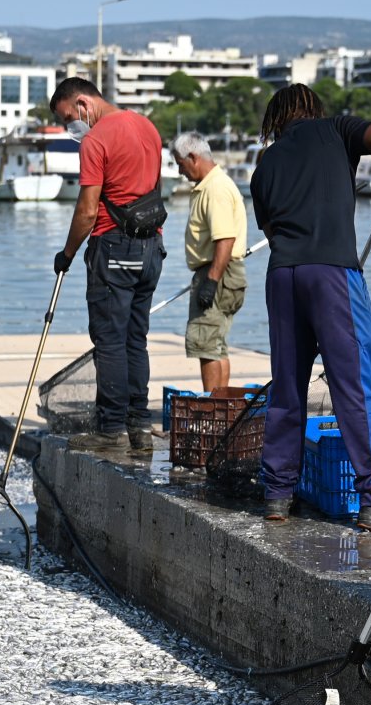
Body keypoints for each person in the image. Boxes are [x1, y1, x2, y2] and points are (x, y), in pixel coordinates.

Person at [249, 84, 371, 531]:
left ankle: (278, 496)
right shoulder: (337, 131)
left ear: (275, 120)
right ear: (314, 110)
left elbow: (269, 224)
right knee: (354, 387)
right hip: (332, 274)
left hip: (283, 276)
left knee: (287, 387)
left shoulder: (265, 164)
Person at [49, 77, 166, 453]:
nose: (72, 127)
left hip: (114, 246)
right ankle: (140, 429)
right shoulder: (147, 127)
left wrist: (66, 254)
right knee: (136, 339)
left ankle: (110, 429)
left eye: (69, 118)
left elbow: (87, 212)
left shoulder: (97, 140)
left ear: (83, 103)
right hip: (152, 248)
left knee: (110, 341)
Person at [169, 132, 247, 391]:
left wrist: (211, 282)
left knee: (206, 344)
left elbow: (225, 239)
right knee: (216, 345)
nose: (181, 172)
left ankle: (212, 412)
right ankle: (219, 409)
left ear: (193, 157)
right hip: (224, 272)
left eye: (181, 164)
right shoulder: (212, 185)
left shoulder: (215, 189)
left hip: (218, 272)